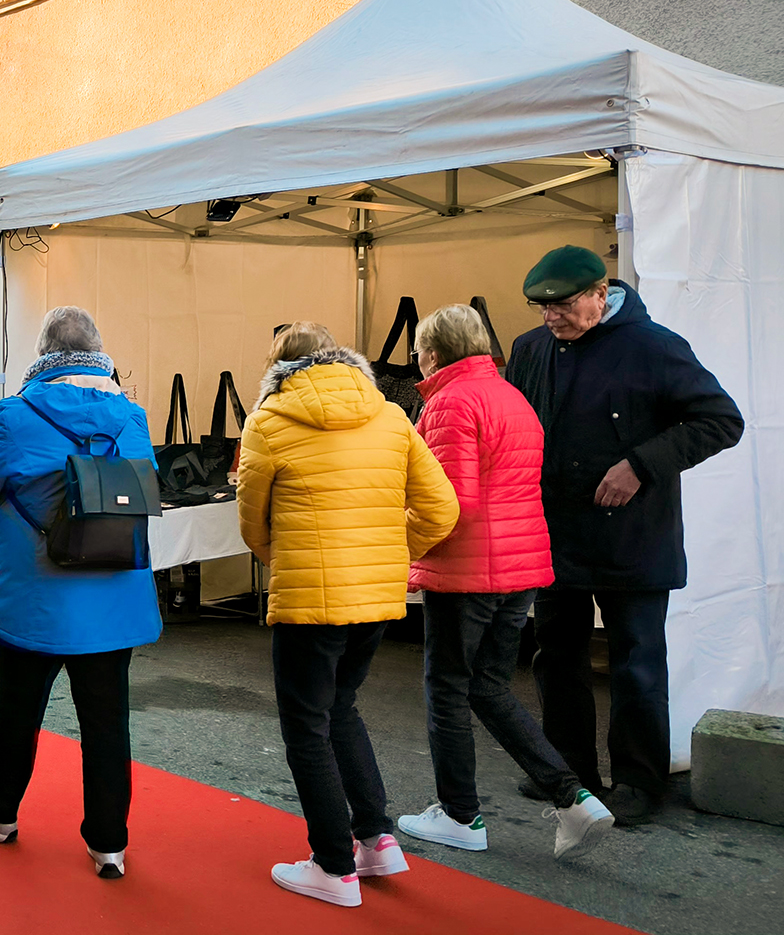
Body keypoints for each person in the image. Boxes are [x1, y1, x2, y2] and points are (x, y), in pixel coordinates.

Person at [505, 246, 742, 826]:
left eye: (559, 306)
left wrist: (641, 464)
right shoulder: (531, 348)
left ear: (598, 294)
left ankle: (639, 783)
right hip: (553, 532)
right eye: (540, 307)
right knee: (555, 656)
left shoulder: (656, 346)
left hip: (633, 536)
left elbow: (721, 420)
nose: (548, 318)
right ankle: (567, 773)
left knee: (637, 662)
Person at [236, 322, 458, 908]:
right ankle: (375, 839)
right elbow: (442, 508)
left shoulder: (268, 420)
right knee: (342, 709)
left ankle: (333, 866)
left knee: (307, 728)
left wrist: (283, 556)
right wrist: (389, 552)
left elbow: (251, 520)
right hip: (377, 596)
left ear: (278, 365)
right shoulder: (390, 414)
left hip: (309, 599)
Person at [392, 304, 614, 860]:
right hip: (522, 567)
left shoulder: (448, 402)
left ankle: (460, 815)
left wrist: (400, 547)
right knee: (488, 687)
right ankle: (572, 797)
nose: (417, 360)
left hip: (467, 569)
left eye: (420, 351)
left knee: (446, 689)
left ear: (435, 353)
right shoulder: (511, 396)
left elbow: (449, 504)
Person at [0, 306, 161, 880]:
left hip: (35, 596)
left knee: (17, 709)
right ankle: (108, 845)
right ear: (98, 353)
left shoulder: (14, 415)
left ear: (42, 357)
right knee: (108, 722)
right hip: (114, 596)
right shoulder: (131, 416)